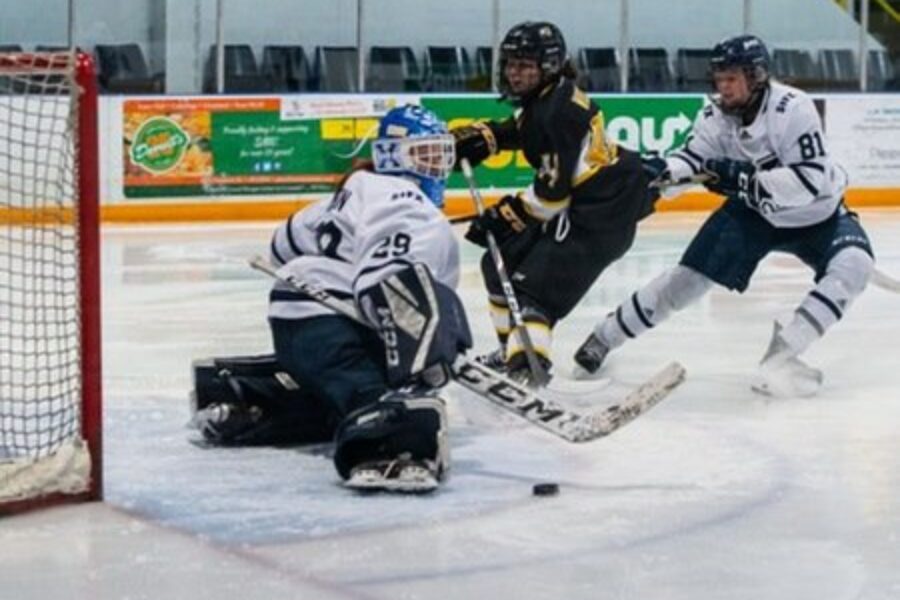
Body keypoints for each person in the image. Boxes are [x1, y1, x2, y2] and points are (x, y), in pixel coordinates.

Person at [573, 35, 875, 397]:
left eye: (732, 78)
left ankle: (783, 355)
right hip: (753, 214)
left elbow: (808, 181)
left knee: (855, 265)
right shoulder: (715, 116)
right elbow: (693, 160)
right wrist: (660, 172)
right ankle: (604, 337)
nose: (723, 87)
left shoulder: (793, 109)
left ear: (757, 75)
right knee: (684, 284)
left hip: (818, 214)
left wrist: (741, 176)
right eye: (719, 78)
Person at [192, 104, 472, 492]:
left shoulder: (350, 194)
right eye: (425, 154)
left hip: (297, 322)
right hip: (334, 328)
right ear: (391, 155)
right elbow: (389, 283)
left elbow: (282, 244)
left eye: (441, 155)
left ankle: (251, 402)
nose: (436, 167)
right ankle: (390, 441)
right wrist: (423, 359)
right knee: (378, 393)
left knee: (334, 396)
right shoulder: (404, 199)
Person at [451, 21, 659, 386]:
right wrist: (489, 137)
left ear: (547, 67)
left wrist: (506, 215)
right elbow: (527, 133)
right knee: (497, 261)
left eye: (525, 66)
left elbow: (550, 197)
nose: (514, 74)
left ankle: (527, 370)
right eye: (511, 64)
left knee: (535, 297)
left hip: (600, 215)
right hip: (585, 202)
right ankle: (510, 352)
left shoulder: (555, 113)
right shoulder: (547, 98)